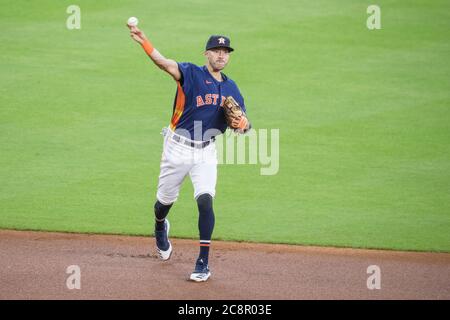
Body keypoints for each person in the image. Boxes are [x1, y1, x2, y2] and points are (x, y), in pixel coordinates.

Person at [128, 24, 251, 282]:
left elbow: (244, 122)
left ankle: (203, 263)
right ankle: (160, 225)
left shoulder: (232, 88)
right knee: (163, 203)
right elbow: (163, 63)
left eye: (225, 51)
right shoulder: (191, 74)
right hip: (176, 148)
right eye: (216, 51)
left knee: (205, 200)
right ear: (206, 54)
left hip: (206, 151)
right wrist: (145, 42)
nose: (221, 55)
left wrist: (243, 125)